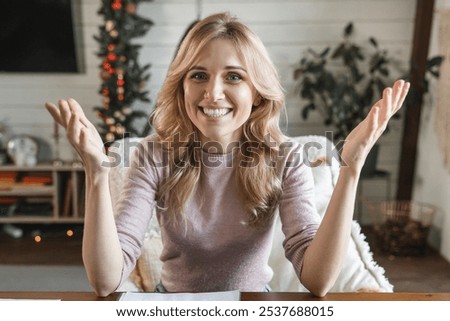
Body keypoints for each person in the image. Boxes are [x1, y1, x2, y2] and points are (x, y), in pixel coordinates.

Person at [45, 12, 410, 297]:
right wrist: (96, 173)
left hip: (254, 307)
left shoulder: (286, 157)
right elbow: (106, 281)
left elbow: (316, 281)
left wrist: (351, 168)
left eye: (233, 77)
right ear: (181, 87)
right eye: (199, 75)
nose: (213, 93)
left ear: (257, 93)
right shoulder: (152, 155)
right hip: (172, 308)